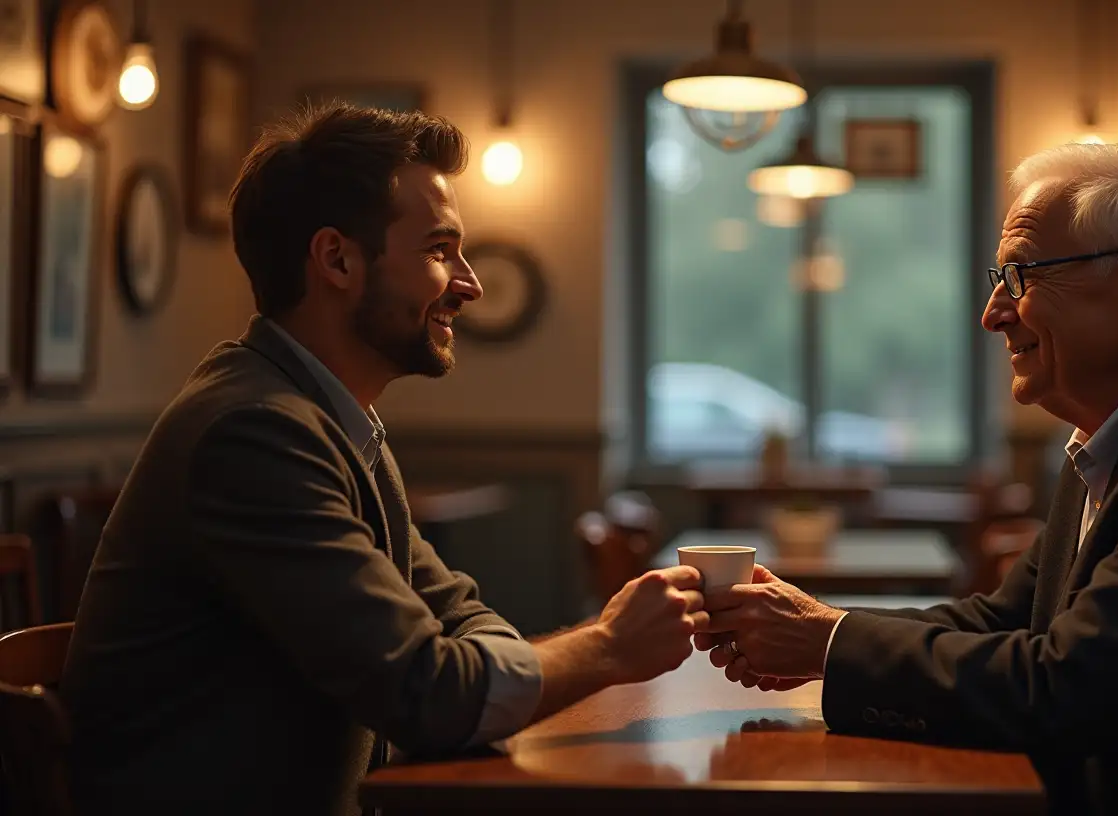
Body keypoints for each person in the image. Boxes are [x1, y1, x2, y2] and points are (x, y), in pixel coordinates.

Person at [696, 143, 1118, 815]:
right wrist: (822, 635)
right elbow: (1002, 623)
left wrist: (826, 643)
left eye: (1021, 276)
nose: (993, 313)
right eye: (997, 280)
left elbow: (1062, 693)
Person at [61, 104, 707, 816]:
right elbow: (430, 693)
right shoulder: (255, 434)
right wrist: (611, 645)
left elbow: (458, 618)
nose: (470, 283)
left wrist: (521, 664)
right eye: (439, 250)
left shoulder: (327, 419)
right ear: (337, 259)